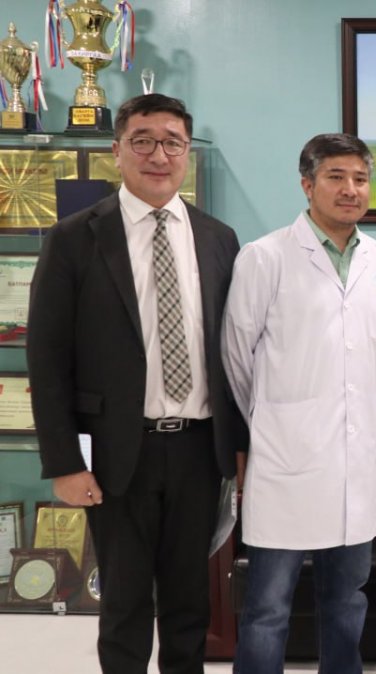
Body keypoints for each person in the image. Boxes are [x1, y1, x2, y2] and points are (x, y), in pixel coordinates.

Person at [26, 93, 246, 674]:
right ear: (117, 150)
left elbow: (235, 352)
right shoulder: (75, 238)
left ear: (186, 152)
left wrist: (239, 447)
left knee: (189, 603)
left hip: (200, 449)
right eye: (143, 141)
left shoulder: (218, 238)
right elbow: (47, 360)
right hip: (118, 452)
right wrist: (64, 463)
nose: (159, 155)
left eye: (172, 142)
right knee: (123, 604)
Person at [222, 133, 376, 674]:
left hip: (355, 464)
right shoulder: (265, 257)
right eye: (336, 177)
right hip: (286, 461)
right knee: (267, 608)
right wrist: (278, 420)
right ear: (307, 184)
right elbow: (236, 357)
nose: (351, 189)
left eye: (360, 179)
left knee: (347, 601)